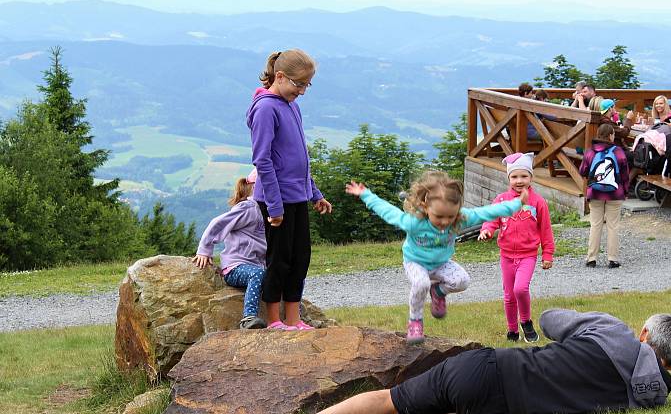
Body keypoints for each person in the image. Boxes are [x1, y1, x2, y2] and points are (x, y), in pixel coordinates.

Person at [266, 309, 671, 414]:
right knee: (479, 412)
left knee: (389, 396)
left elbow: (547, 320)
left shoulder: (613, 331)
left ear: (644, 335)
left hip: (491, 369)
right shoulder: (653, 397)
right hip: (506, 411)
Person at [345, 171, 525, 343]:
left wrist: (516, 204)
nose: (445, 222)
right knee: (421, 283)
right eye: (439, 216)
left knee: (463, 281)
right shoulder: (414, 222)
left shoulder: (459, 219)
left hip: (441, 263)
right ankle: (415, 322)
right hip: (415, 263)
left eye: (450, 216)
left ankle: (437, 292)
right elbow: (388, 212)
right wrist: (365, 194)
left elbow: (488, 212)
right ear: (425, 207)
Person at [249, 49, 333, 330]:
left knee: (300, 258)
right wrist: (274, 207)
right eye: (299, 84)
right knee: (279, 259)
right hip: (276, 201)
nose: (303, 91)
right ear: (280, 76)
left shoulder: (291, 105)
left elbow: (300, 160)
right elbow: (263, 160)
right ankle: (274, 320)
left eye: (307, 85)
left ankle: (294, 318)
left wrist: (315, 193)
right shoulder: (265, 109)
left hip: (297, 196)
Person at [478, 153, 554, 343]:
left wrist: (547, 254)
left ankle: (526, 321)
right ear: (508, 178)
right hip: (506, 256)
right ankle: (512, 331)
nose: (519, 181)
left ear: (531, 178)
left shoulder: (538, 202)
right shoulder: (502, 200)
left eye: (524, 176)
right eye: (514, 177)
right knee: (509, 295)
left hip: (528, 255)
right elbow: (492, 219)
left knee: (520, 289)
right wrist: (487, 230)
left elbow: (545, 230)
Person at [192, 176, 268, 329]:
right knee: (257, 274)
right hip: (236, 267)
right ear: (257, 188)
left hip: (257, 266)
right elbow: (217, 223)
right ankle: (249, 318)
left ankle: (294, 318)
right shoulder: (248, 208)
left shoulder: (268, 210)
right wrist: (205, 250)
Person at [580, 123, 629, 268]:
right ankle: (612, 258)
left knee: (595, 225)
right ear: (611, 135)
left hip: (595, 193)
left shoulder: (590, 151)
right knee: (613, 226)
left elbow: (583, 171)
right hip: (615, 193)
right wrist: (625, 191)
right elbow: (625, 175)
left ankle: (591, 258)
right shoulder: (618, 151)